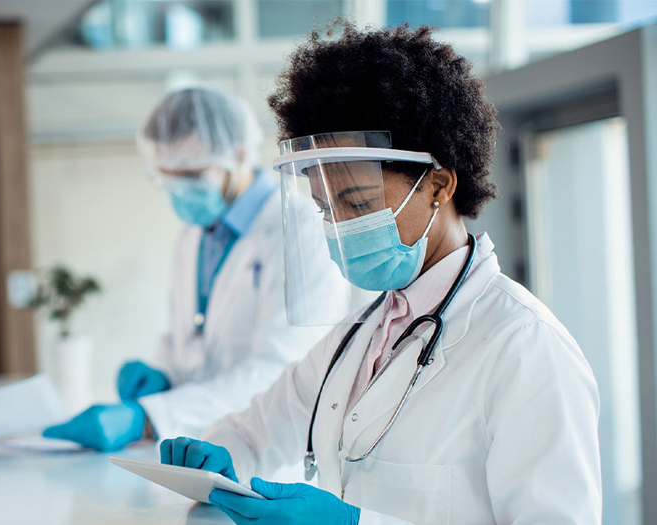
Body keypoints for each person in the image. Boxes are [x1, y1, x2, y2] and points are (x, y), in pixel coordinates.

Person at [159, 24, 602, 524]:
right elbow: (260, 428)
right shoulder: (360, 334)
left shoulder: (525, 346)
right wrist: (218, 455)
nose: (340, 227)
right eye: (325, 208)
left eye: (358, 203)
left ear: (439, 184)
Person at [43, 87, 351, 452]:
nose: (179, 191)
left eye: (189, 176)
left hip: (270, 455)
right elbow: (184, 340)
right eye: (167, 177)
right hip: (194, 446)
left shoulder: (301, 230)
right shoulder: (193, 236)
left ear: (237, 155)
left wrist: (148, 417)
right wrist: (163, 373)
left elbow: (282, 372)